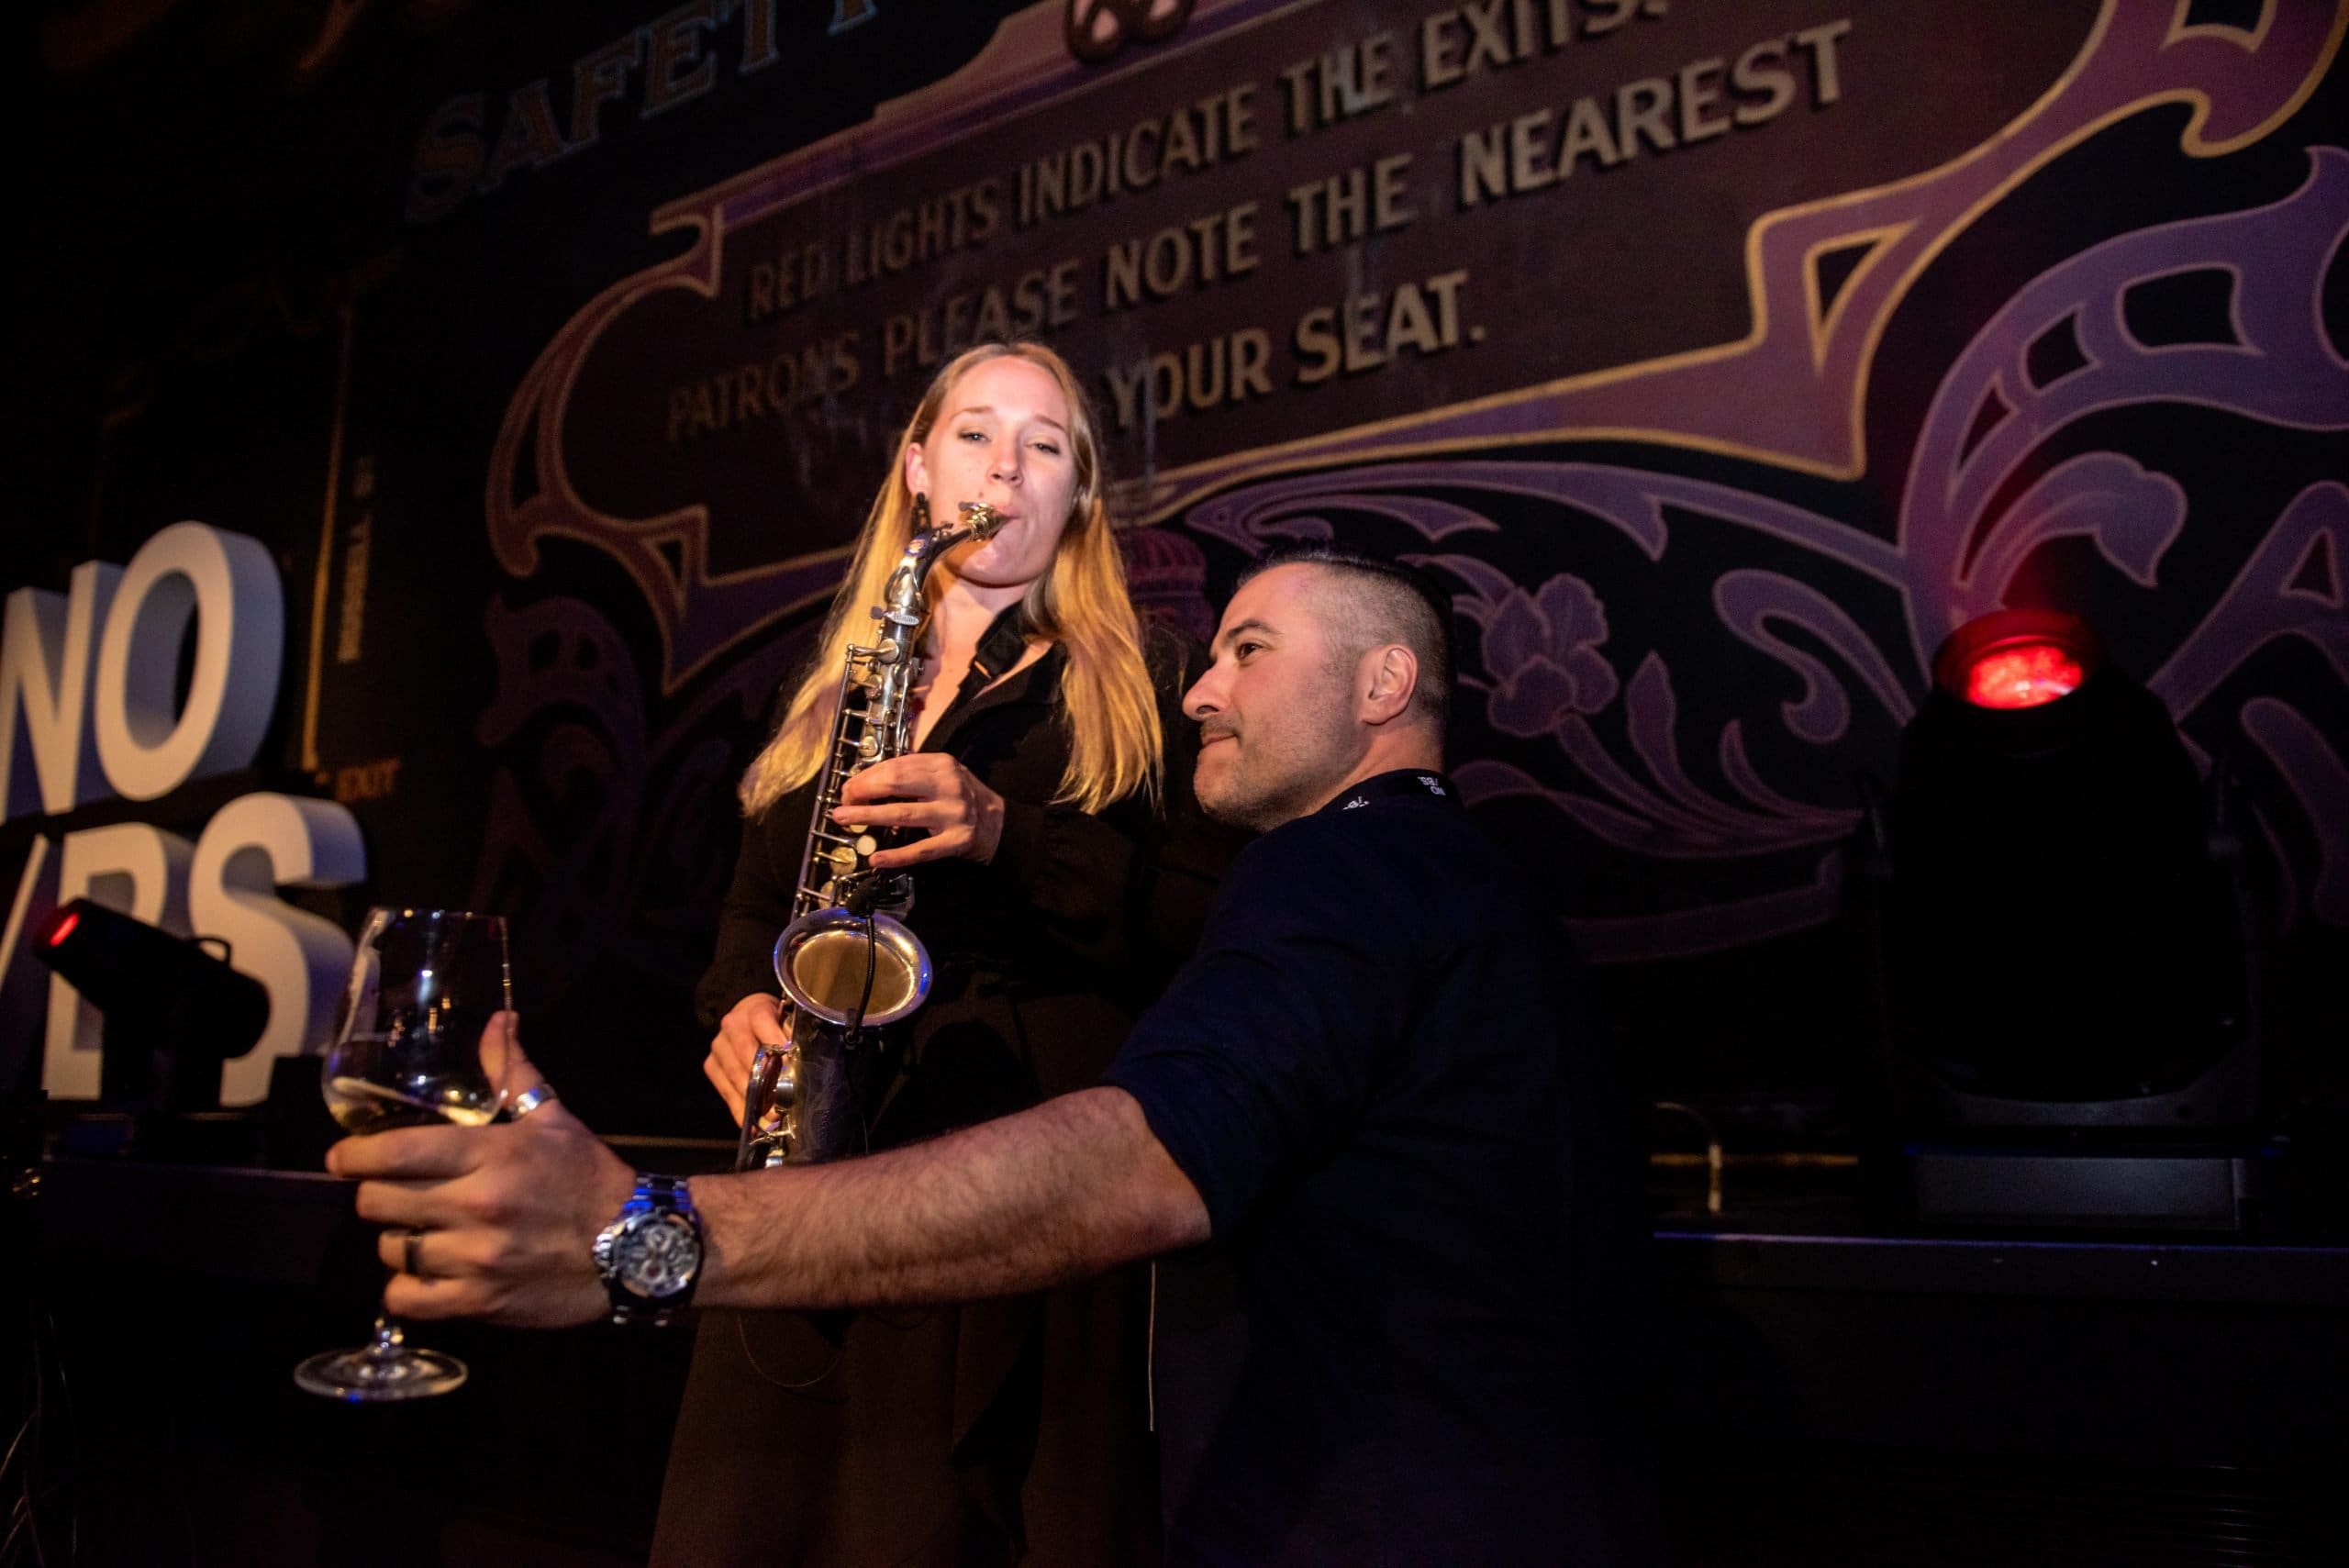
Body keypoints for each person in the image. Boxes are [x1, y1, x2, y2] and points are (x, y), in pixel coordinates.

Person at [334, 550, 1658, 1565]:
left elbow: (1144, 1161)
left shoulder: (1344, 864)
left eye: (1247, 650)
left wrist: (649, 1233)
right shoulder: (1450, 880)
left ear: (1383, 685)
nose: (1198, 687)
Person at [670, 340, 1233, 1566]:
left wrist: (1006, 836)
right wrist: (742, 1012)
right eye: (976, 435)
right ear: (918, 471)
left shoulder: (1151, 684)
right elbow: (750, 919)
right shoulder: (830, 693)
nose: (1006, 468)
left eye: (1045, 445)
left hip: (1014, 1188)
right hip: (814, 1173)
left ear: (1078, 491)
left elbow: (1211, 924)